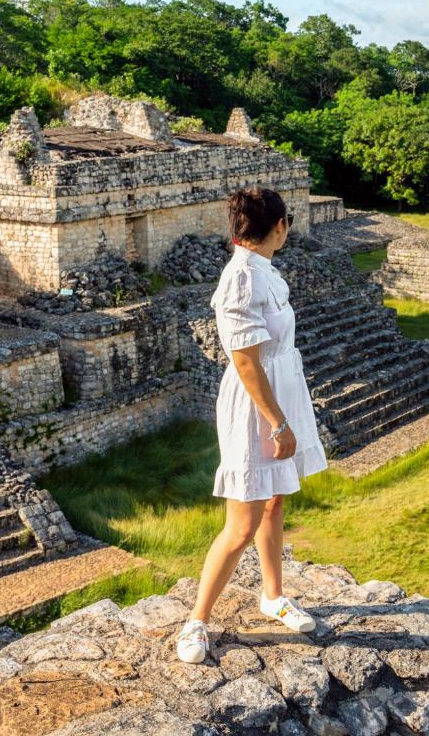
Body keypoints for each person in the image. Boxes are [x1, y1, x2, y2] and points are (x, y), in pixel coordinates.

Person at [176, 185, 329, 664]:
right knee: (241, 522)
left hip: (280, 389)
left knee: (275, 497)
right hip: (255, 404)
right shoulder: (242, 277)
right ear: (279, 227)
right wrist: (278, 423)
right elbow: (244, 361)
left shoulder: (264, 271)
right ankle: (196, 620)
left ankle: (272, 594)